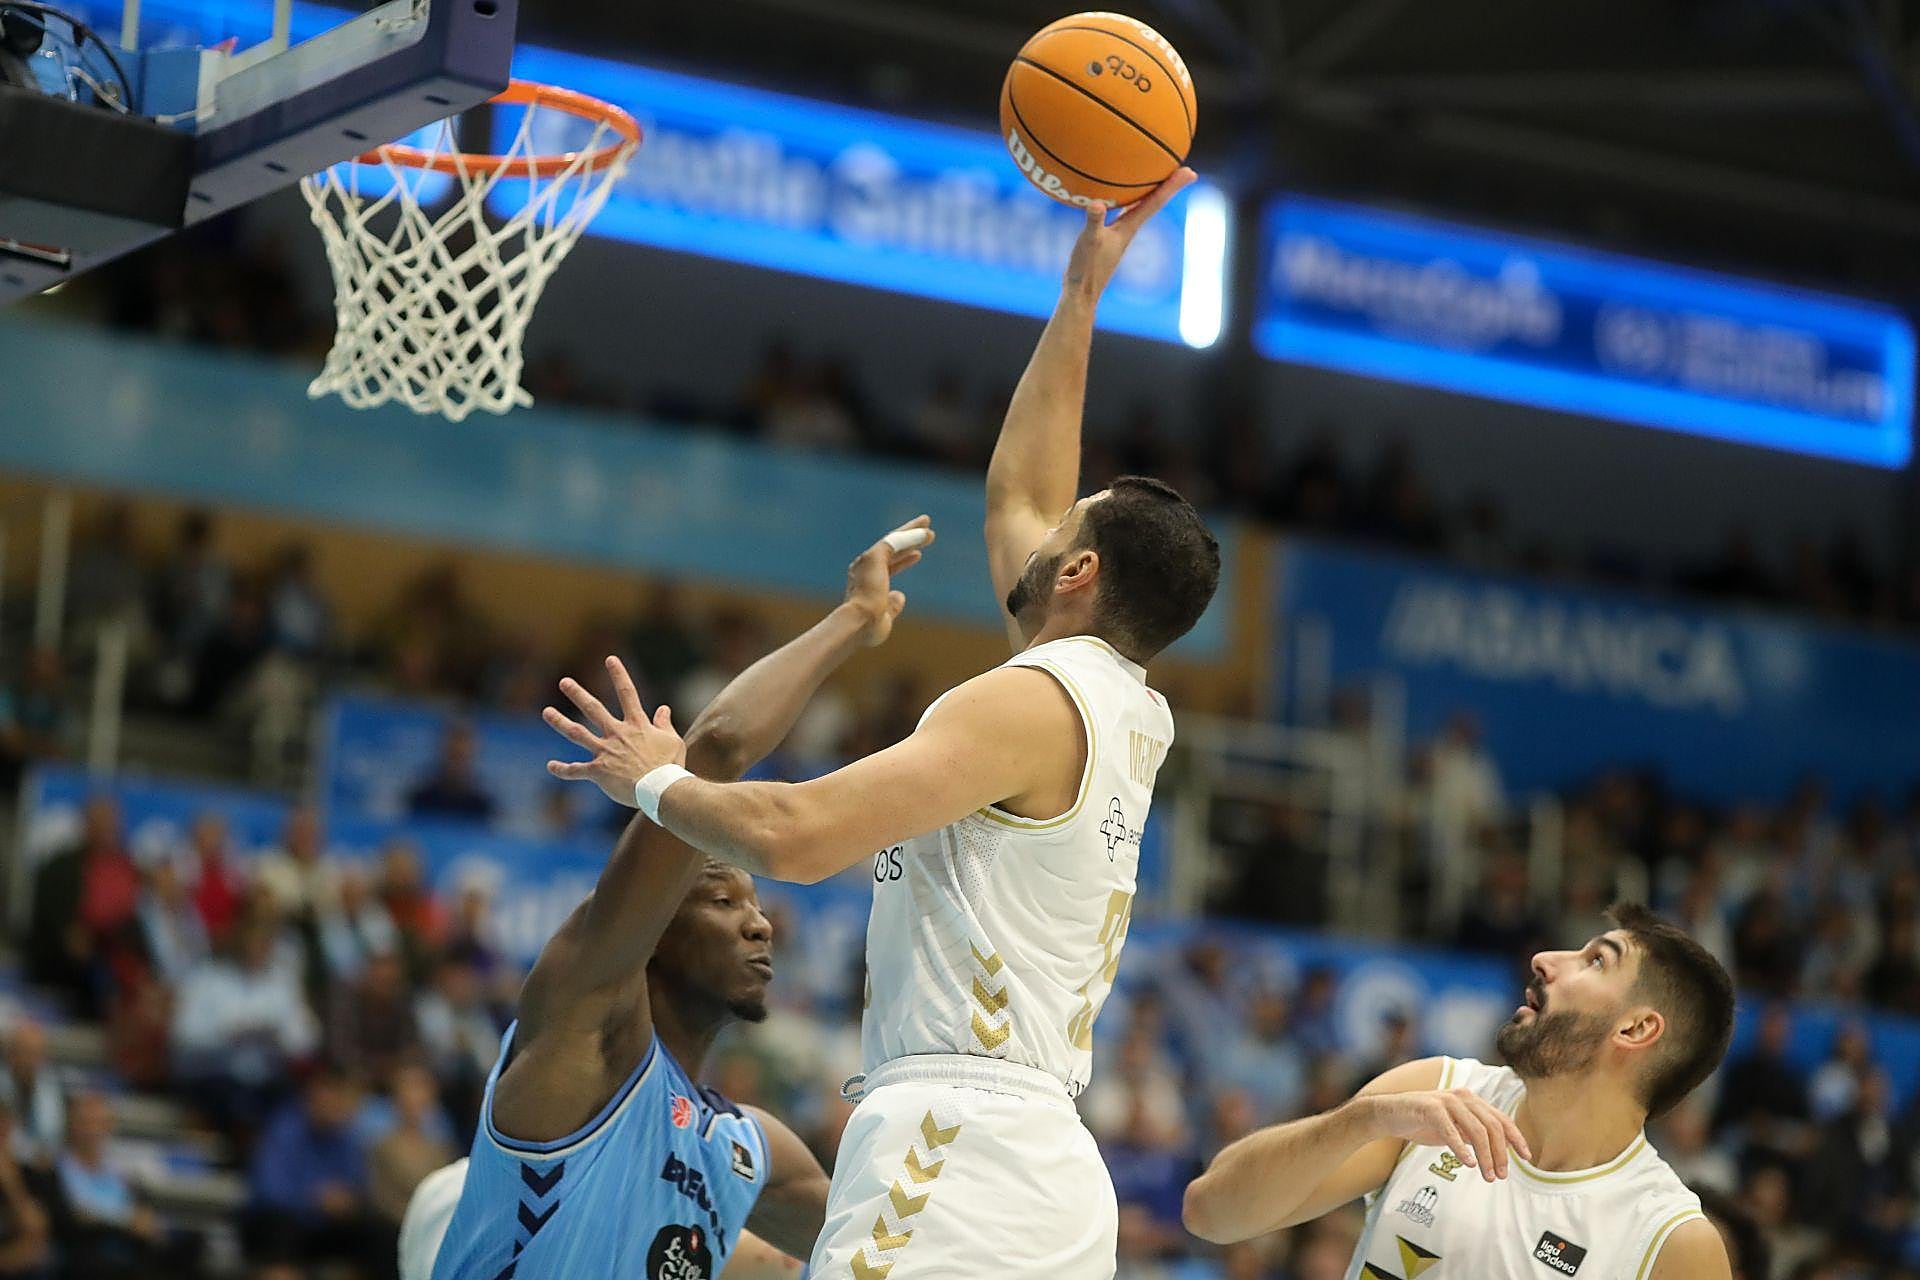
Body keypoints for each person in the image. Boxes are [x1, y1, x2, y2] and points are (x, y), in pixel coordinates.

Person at [543, 173, 1221, 1279]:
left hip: (957, 1147)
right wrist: (1080, 296)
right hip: (1034, 1159)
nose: (1042, 527)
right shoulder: (1111, 699)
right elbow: (1017, 495)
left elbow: (802, 838)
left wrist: (657, 780)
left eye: (1072, 527)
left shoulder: (1031, 700)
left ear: (1081, 569)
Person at [415, 521, 929, 1280]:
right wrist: (852, 619)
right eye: (723, 900)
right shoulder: (583, 1035)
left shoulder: (745, 1146)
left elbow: (897, 1241)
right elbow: (716, 749)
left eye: (754, 905)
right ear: (655, 930)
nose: (760, 923)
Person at [1182, 904, 1737, 1279]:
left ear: (1637, 1029)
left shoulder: (1672, 1241)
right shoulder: (1433, 1090)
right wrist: (1360, 1120)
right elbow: (1210, 1213)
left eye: (1595, 961)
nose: (1545, 960)